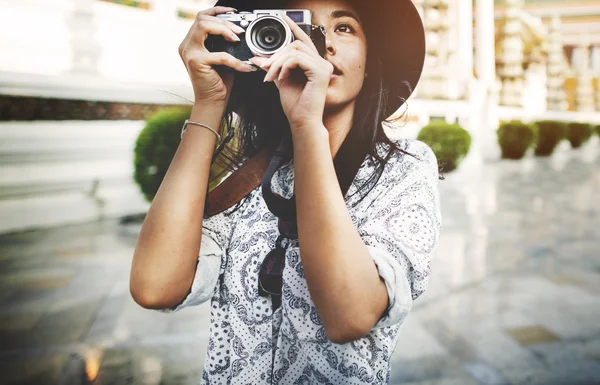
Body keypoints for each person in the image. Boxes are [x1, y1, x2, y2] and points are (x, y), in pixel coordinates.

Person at [130, 0, 441, 383]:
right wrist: (209, 102)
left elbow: (350, 316)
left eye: (344, 28)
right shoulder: (251, 172)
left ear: (371, 58)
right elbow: (154, 286)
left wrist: (308, 125)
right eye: (301, 25)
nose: (319, 43)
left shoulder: (405, 166)